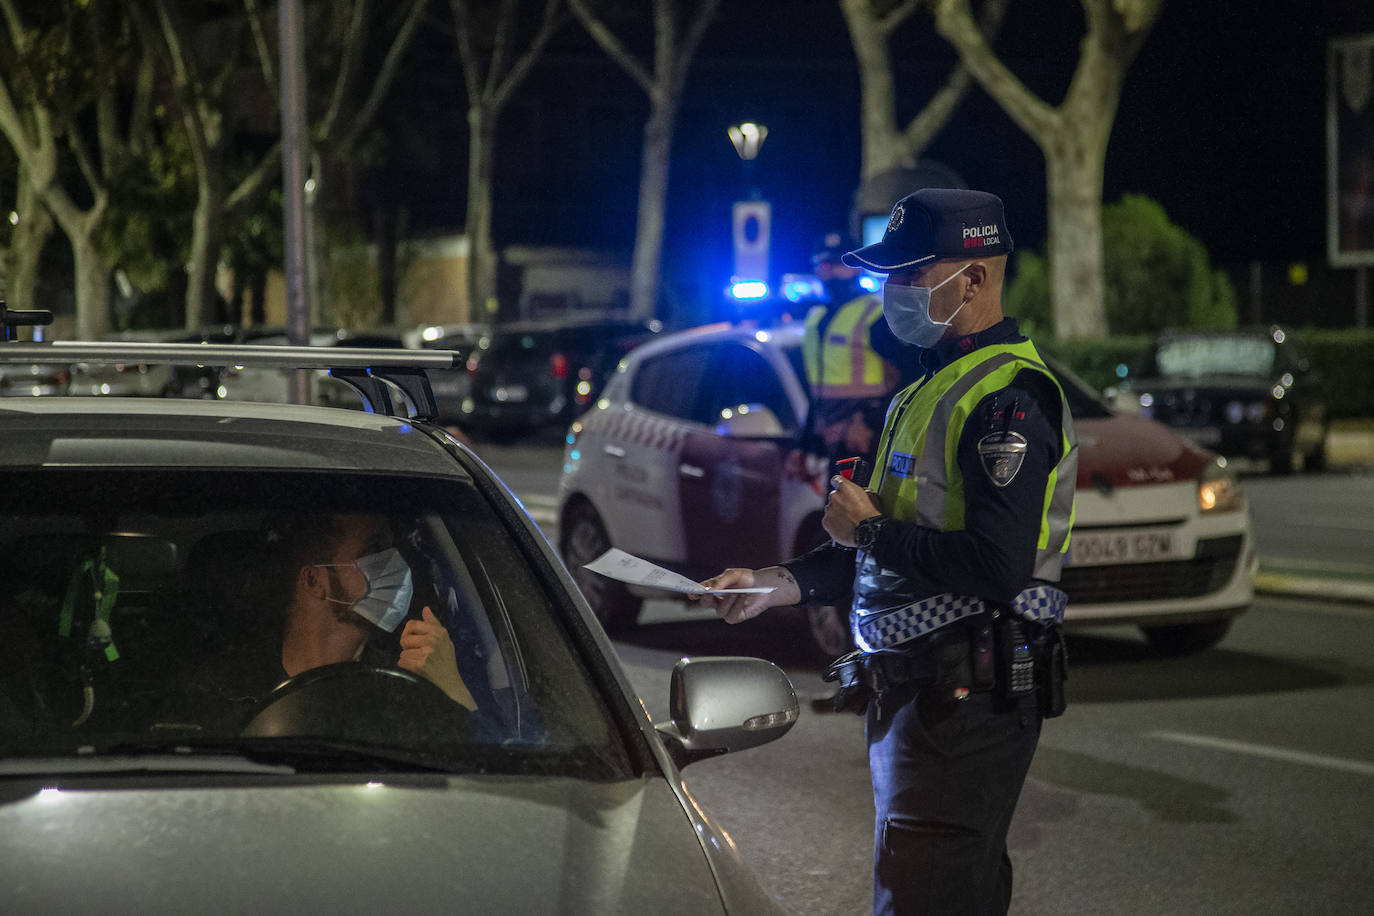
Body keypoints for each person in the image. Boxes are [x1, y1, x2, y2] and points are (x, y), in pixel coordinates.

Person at [697, 188, 1077, 916]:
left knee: (924, 894)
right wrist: (776, 584)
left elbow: (997, 567)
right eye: (888, 275)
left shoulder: (1010, 399)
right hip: (918, 698)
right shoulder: (926, 390)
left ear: (974, 277)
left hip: (964, 701)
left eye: (910, 273)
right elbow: (866, 544)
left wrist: (870, 530)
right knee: (930, 887)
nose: (891, 291)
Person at [194, 512, 477, 728]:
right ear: (315, 581)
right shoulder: (228, 690)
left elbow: (479, 763)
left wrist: (451, 688)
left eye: (390, 548)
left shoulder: (404, 681)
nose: (393, 562)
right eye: (373, 550)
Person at [792, 232, 915, 477]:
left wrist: (870, 422)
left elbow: (911, 376)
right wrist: (803, 446)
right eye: (826, 264)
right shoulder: (816, 320)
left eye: (844, 264)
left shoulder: (876, 314)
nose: (835, 272)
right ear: (817, 270)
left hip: (868, 440)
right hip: (832, 442)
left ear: (858, 268)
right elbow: (816, 392)